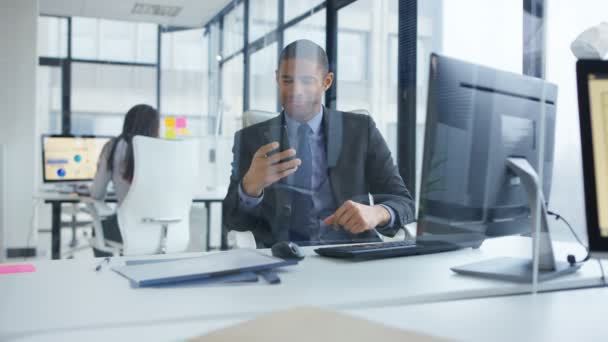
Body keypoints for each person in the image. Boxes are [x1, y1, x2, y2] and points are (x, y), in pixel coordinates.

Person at [223, 39, 415, 248]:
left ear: (327, 82)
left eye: (306, 81)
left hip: (351, 256)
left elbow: (404, 202)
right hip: (282, 259)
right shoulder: (251, 139)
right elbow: (232, 222)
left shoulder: (361, 131)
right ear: (277, 78)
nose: (296, 90)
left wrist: (377, 212)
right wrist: (249, 188)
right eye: (287, 80)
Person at [89, 104, 160, 253]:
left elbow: (97, 193)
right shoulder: (163, 150)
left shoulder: (113, 146)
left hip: (127, 230)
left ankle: (106, 273)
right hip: (163, 231)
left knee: (99, 229)